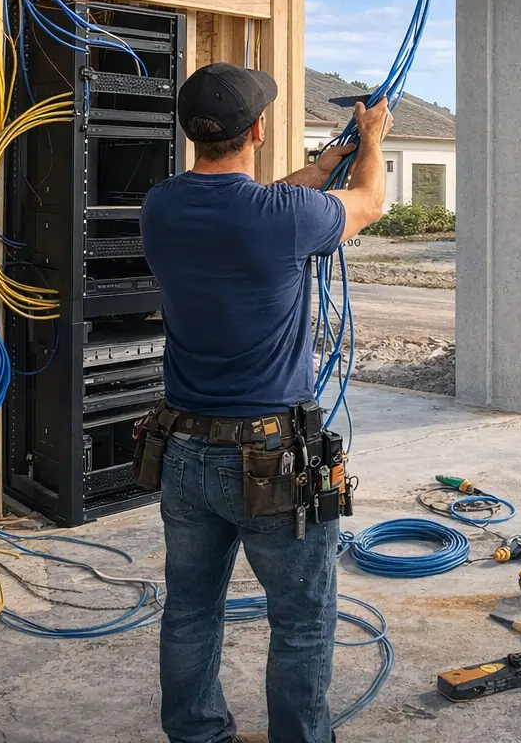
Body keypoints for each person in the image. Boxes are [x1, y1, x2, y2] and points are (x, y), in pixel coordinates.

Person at [141, 63, 391, 743]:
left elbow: (255, 207)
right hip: (270, 457)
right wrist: (370, 140)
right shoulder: (282, 218)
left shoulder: (161, 205)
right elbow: (370, 203)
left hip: (182, 451)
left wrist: (321, 165)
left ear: (194, 132)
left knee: (190, 610)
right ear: (256, 130)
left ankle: (196, 735)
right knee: (303, 617)